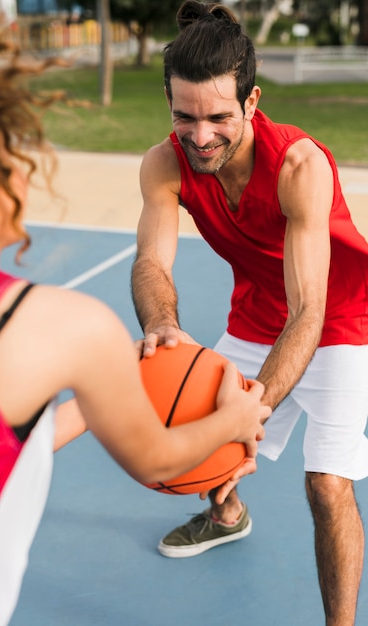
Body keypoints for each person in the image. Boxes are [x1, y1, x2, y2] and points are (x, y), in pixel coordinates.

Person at [0, 11, 270, 626]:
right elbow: (157, 459)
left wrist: (105, 383)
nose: (22, 173)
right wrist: (234, 417)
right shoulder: (60, 324)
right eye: (8, 160)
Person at [131, 1, 368, 624]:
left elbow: (310, 311)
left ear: (252, 102)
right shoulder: (165, 162)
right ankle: (227, 513)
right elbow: (153, 265)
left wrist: (249, 408)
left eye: (218, 118)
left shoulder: (299, 166)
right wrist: (161, 324)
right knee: (198, 421)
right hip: (257, 310)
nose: (200, 135)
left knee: (326, 485)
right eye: (184, 116)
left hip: (343, 319)